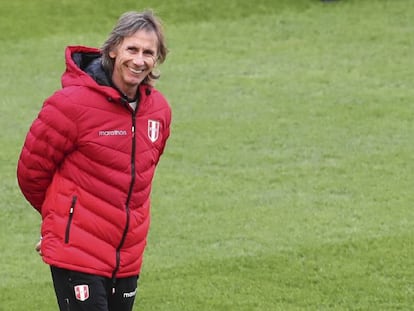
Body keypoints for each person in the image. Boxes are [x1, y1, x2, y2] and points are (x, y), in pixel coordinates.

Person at [16, 10, 171, 311]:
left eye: (148, 53)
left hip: (127, 256)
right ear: (113, 50)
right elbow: (31, 173)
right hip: (77, 253)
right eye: (132, 49)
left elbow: (141, 175)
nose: (139, 60)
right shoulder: (71, 105)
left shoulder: (159, 112)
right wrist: (57, 224)